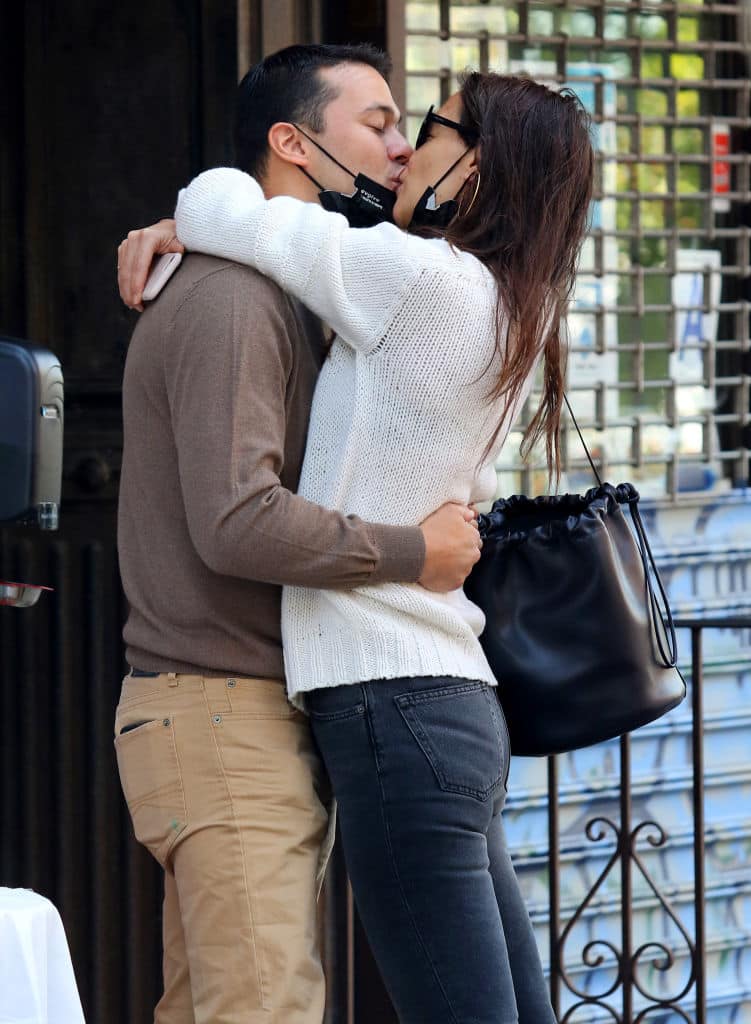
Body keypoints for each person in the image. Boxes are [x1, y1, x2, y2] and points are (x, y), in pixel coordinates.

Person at [157, 71, 595, 1023]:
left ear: (471, 166)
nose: (404, 149)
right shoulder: (511, 304)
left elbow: (215, 201)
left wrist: (178, 229)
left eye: (426, 127)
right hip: (449, 698)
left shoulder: (417, 278)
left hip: (391, 701)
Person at [114, 43, 482, 1024]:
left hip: (228, 714)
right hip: (222, 714)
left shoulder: (279, 284)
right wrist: (418, 550)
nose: (402, 150)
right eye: (377, 123)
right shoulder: (237, 299)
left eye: (409, 128)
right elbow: (238, 521)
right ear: (291, 143)